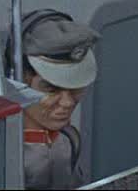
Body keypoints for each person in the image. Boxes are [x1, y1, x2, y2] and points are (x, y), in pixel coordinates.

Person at [10, 10, 100, 189]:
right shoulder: (5, 155)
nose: (67, 103)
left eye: (75, 87)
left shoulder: (69, 139)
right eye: (51, 89)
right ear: (20, 81)